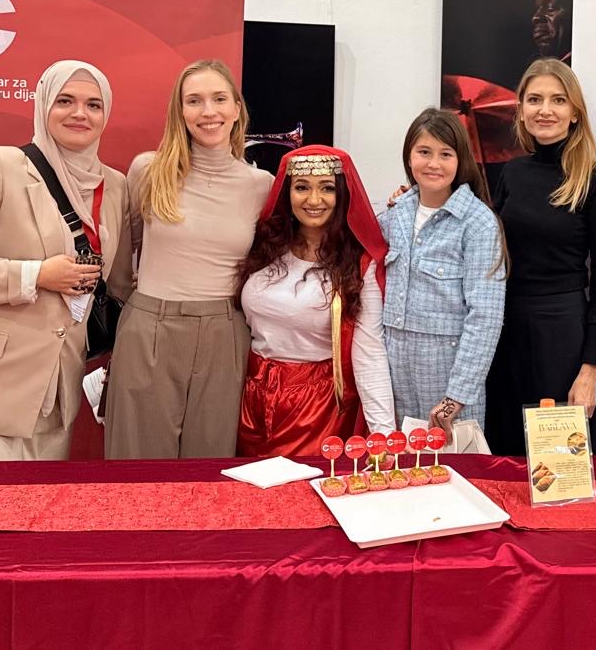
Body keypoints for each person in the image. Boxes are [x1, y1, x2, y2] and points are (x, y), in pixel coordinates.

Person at [0, 60, 131, 461]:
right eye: (65, 101)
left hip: (55, 394)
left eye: (93, 104)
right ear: (43, 104)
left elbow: (119, 284)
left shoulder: (115, 186)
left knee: (35, 504)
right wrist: (36, 275)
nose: (80, 113)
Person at [105, 60, 274, 459]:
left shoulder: (262, 185)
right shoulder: (148, 170)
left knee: (209, 465)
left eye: (219, 99)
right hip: (149, 328)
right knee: (137, 467)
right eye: (194, 101)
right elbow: (122, 258)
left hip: (225, 334)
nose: (208, 111)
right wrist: (144, 313)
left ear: (237, 108)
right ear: (179, 112)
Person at [488, 59, 596, 454]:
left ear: (575, 112)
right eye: (535, 100)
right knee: (505, 454)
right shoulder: (511, 173)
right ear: (521, 110)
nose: (545, 110)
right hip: (505, 330)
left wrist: (591, 370)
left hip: (563, 335)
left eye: (558, 100)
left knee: (559, 465)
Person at [237, 145, 393, 456]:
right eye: (302, 187)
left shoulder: (358, 264)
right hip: (250, 397)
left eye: (327, 188)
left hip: (316, 408)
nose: (313, 200)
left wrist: (383, 435)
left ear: (342, 195)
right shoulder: (264, 244)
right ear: (287, 193)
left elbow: (370, 351)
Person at [378, 109, 506, 440]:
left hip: (447, 374)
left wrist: (456, 397)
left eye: (445, 154)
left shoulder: (477, 222)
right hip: (393, 372)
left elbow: (486, 317)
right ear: (409, 157)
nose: (433, 163)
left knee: (452, 464)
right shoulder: (395, 214)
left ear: (460, 159)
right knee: (400, 464)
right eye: (424, 152)